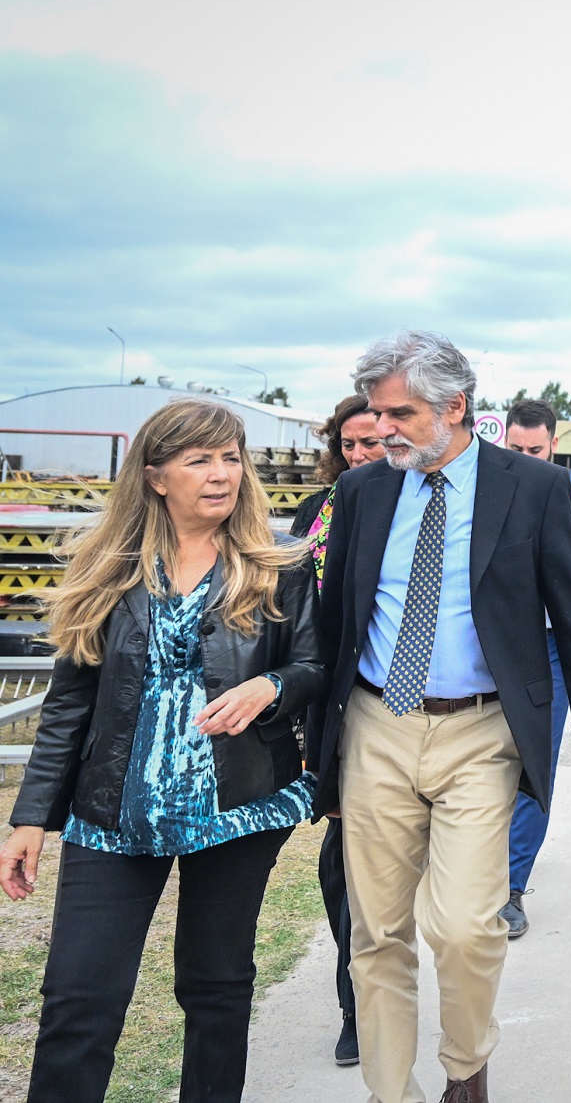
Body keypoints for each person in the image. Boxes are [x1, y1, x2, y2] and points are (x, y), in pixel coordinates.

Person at [312, 331, 571, 1103]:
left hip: (481, 732)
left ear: (456, 407)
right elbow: (335, 620)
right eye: (376, 413)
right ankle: (394, 1091)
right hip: (377, 725)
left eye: (400, 412)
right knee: (376, 931)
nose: (382, 429)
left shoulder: (534, 488)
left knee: (463, 925)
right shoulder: (362, 493)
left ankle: (466, 1065)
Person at [1, 398, 326, 1103]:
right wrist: (30, 817)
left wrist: (270, 685)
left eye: (231, 457)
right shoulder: (110, 567)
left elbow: (314, 665)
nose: (221, 474)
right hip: (112, 811)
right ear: (154, 476)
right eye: (199, 459)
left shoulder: (280, 566)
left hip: (237, 807)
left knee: (215, 984)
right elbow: (68, 704)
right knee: (77, 1000)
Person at [289, 394, 386, 1068]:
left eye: (370, 443)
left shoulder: (411, 510)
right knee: (340, 865)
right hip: (331, 710)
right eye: (348, 445)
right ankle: (356, 1004)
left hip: (396, 709)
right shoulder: (313, 513)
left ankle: (388, 986)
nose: (357, 456)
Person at [500, 399, 571, 939]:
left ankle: (509, 887)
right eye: (516, 450)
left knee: (533, 767)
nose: (526, 459)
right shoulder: (481, 490)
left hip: (548, 651)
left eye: (535, 450)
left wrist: (553, 574)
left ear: (553, 445)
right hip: (487, 648)